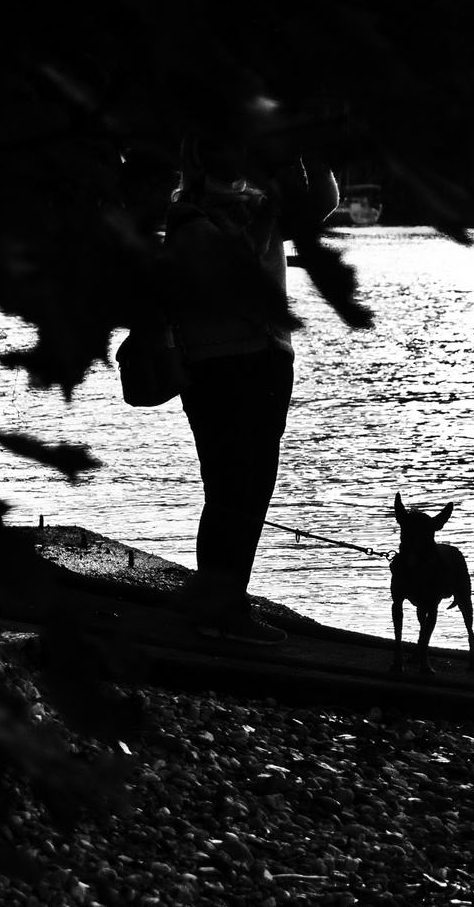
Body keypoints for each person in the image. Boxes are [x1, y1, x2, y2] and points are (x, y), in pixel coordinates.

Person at [159, 139, 339, 643]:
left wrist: (309, 155)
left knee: (254, 488)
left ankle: (225, 604)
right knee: (228, 489)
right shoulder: (187, 216)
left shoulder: (259, 205)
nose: (234, 156)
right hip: (215, 365)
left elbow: (320, 203)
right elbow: (235, 259)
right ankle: (219, 608)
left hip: (268, 360)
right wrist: (275, 203)